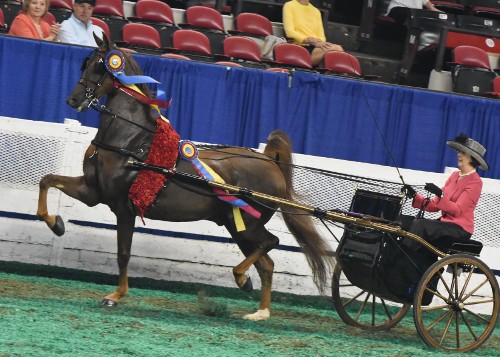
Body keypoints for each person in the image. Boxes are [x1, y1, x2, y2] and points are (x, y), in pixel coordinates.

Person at [402, 133, 489, 253]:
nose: (458, 154)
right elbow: (434, 205)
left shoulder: (475, 182)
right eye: (459, 151)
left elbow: (458, 210)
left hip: (460, 229)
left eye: (463, 153)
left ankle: (401, 258)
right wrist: (414, 195)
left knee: (421, 225)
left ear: (472, 159)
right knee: (407, 221)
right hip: (445, 224)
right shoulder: (454, 176)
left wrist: (440, 195)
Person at [282, 0, 344, 66]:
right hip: (299, 45)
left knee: (338, 48)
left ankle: (333, 74)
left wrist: (317, 42)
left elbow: (322, 37)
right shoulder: (289, 5)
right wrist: (308, 40)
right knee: (335, 49)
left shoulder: (316, 11)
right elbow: (289, 32)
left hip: (314, 46)